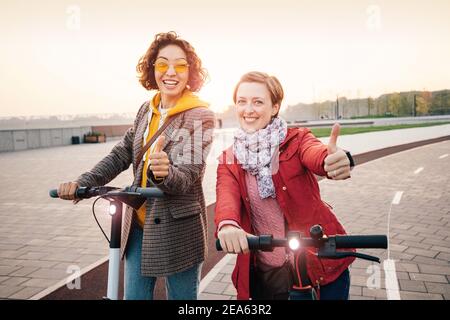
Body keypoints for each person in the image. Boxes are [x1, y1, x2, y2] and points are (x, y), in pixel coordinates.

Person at [58, 32, 215, 300]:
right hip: (139, 227)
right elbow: (120, 154)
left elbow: (188, 175)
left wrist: (164, 171)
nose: (171, 72)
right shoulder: (146, 110)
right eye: (163, 63)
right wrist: (84, 182)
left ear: (190, 72)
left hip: (179, 231)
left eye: (180, 65)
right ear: (153, 68)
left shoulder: (201, 116)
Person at [215, 71, 355, 300]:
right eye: (242, 101)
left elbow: (314, 153)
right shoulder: (229, 158)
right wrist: (227, 226)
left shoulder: (297, 139)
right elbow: (226, 198)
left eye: (258, 102)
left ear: (274, 107)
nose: (248, 109)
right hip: (269, 274)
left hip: (319, 264)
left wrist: (332, 160)